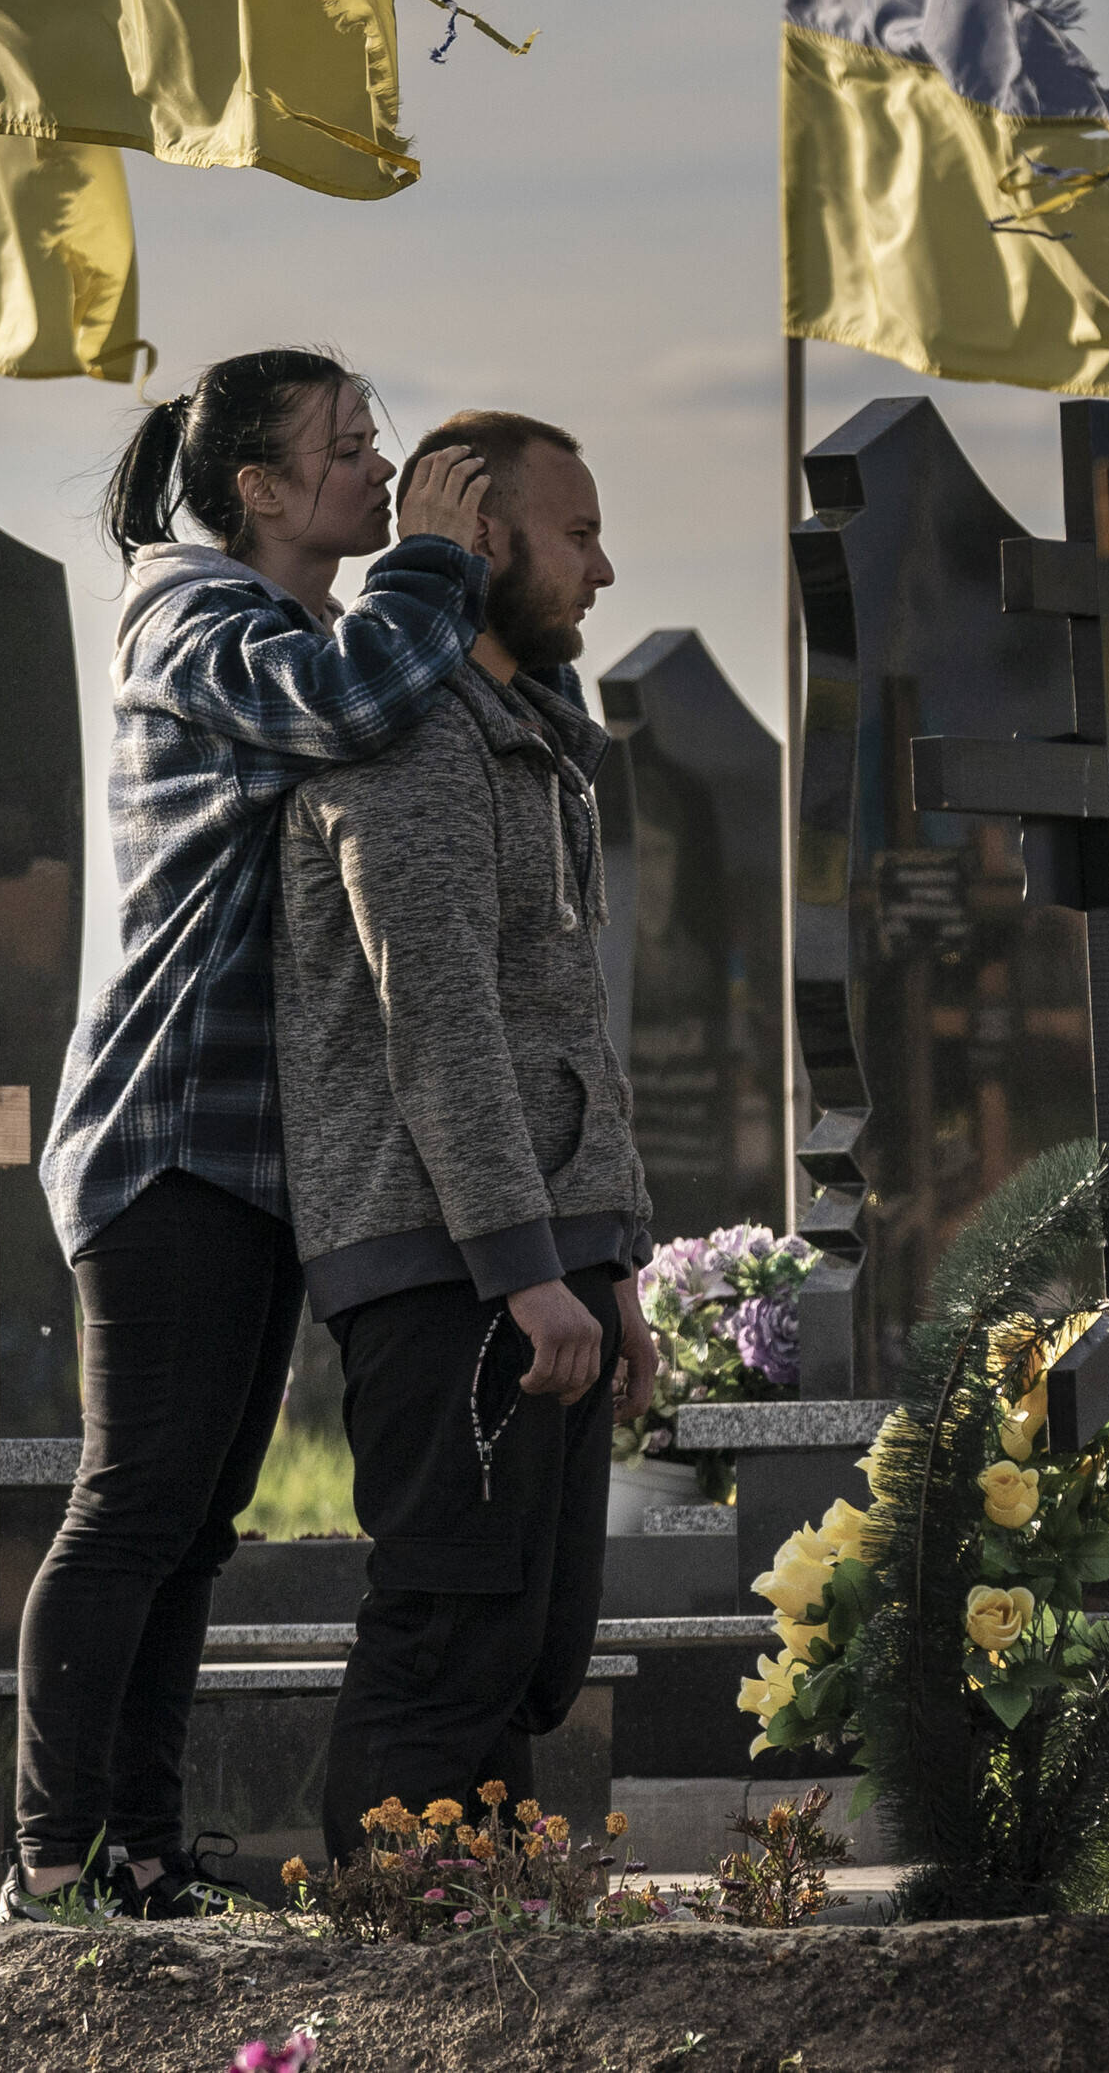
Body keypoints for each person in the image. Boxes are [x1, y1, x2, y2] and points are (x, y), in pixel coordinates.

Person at [9, 352, 493, 1920]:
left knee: (196, 1524)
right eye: (346, 450)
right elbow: (347, 708)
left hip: (253, 1150)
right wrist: (435, 557)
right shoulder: (193, 618)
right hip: (169, 1135)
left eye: (378, 442)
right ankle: (50, 1862)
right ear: (260, 491)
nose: (377, 466)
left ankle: (136, 1852)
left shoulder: (275, 614)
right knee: (135, 1501)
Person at [270, 408, 657, 1852]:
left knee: (533, 1651)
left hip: (535, 1263)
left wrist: (611, 1264)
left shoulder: (535, 741)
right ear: (483, 538)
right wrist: (520, 1263)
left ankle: (489, 1948)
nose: (604, 569)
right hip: (444, 1263)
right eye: (577, 533)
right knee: (452, 1629)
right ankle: (386, 1981)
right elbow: (437, 1018)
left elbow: (564, 1032)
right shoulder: (414, 736)